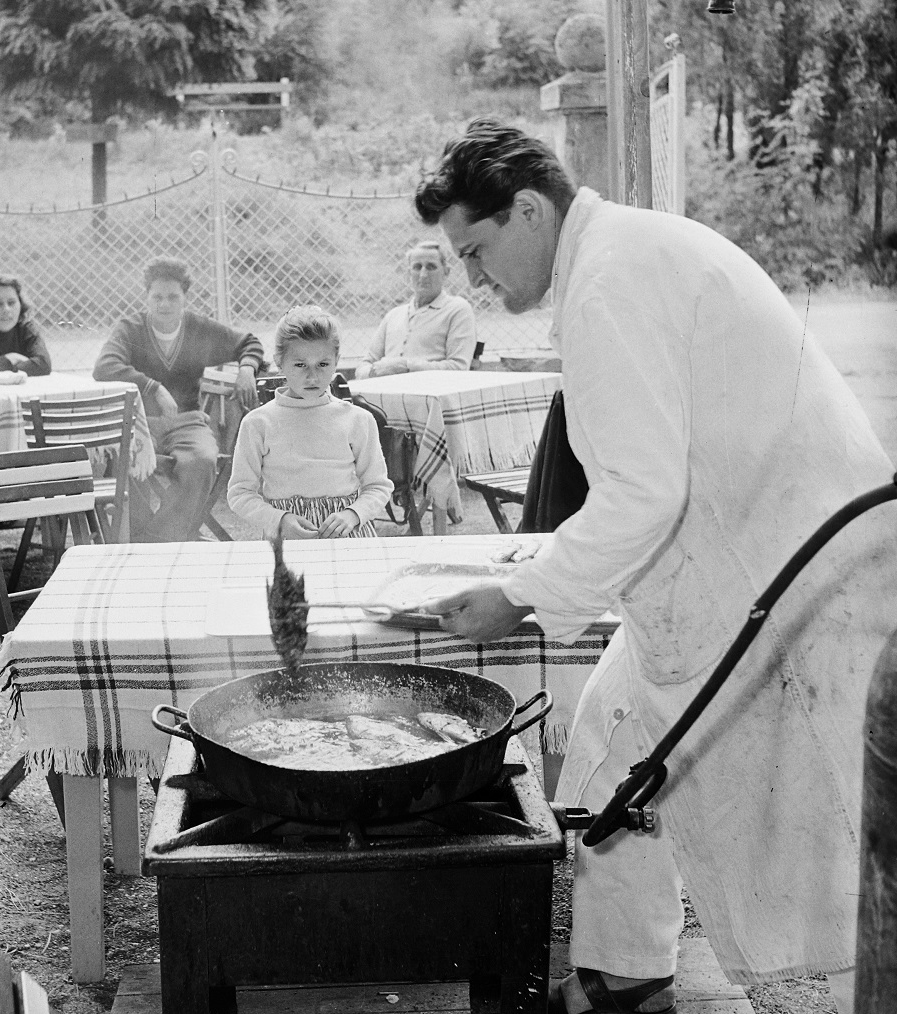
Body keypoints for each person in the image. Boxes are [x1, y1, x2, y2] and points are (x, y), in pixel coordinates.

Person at [414, 118, 894, 1014]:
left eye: (476, 252)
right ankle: (626, 975)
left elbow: (642, 497)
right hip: (740, 562)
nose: (474, 280)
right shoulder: (620, 251)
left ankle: (812, 1000)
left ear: (527, 211)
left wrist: (520, 597)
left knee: (794, 859)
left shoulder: (606, 285)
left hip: (782, 588)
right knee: (609, 740)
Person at [93, 256, 265, 542]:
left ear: (185, 297)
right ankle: (155, 534)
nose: (164, 304)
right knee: (122, 459)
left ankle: (155, 539)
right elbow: (104, 367)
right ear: (146, 296)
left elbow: (249, 342)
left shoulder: (200, 328)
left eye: (173, 297)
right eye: (157, 296)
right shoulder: (130, 328)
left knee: (202, 460)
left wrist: (247, 367)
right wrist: (152, 387)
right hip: (141, 423)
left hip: (187, 422)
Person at [227, 306, 394, 539]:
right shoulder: (258, 423)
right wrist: (279, 519)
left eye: (323, 364)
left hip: (347, 535)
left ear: (336, 361)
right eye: (300, 365)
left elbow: (379, 486)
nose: (312, 376)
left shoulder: (358, 420)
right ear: (279, 362)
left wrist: (353, 514)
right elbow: (240, 494)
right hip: (287, 537)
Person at [354, 240, 476, 378]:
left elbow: (459, 368)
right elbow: (364, 365)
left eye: (431, 267)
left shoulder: (457, 309)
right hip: (386, 393)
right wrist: (373, 371)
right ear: (409, 273)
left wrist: (407, 366)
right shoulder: (394, 315)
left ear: (446, 272)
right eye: (417, 267)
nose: (423, 274)